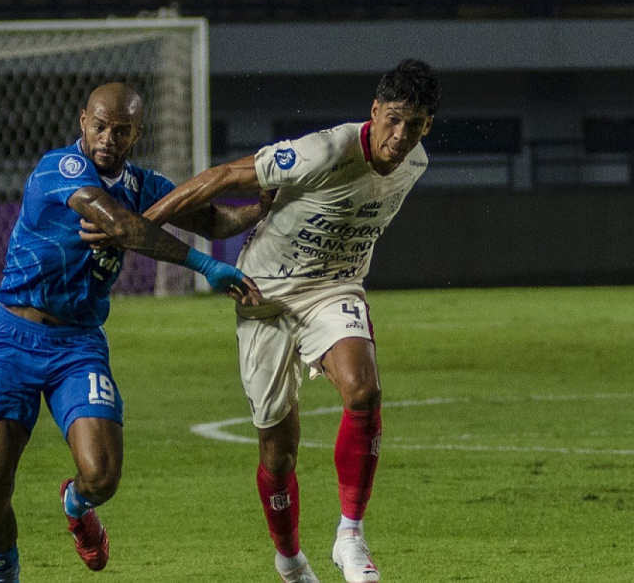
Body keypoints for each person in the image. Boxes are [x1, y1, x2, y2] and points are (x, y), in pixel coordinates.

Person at [134, 59, 441, 583]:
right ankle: (290, 560)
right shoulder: (324, 150)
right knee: (279, 453)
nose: (400, 136)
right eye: (392, 119)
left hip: (333, 290)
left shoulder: (416, 164)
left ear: (427, 126)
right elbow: (223, 176)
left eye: (414, 126)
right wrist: (138, 227)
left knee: (364, 392)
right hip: (264, 297)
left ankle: (350, 535)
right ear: (373, 112)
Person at [0, 82, 271, 583]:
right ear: (82, 119)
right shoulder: (59, 168)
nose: (108, 137)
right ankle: (5, 577)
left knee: (103, 476)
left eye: (122, 129)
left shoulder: (142, 184)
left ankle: (75, 503)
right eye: (100, 125)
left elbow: (212, 219)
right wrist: (204, 267)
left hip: (79, 345)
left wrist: (257, 210)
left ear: (137, 133)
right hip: (12, 338)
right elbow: (119, 224)